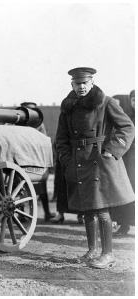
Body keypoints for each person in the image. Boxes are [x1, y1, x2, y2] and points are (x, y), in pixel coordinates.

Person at [55, 67, 134, 269]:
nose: (81, 87)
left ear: (91, 82)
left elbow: (127, 128)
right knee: (87, 209)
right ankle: (92, 251)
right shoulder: (68, 108)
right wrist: (66, 160)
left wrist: (111, 150)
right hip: (78, 163)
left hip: (101, 161)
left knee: (102, 210)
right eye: (77, 83)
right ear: (72, 85)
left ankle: (107, 254)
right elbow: (61, 139)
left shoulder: (106, 102)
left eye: (84, 83)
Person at [20, 102, 55, 222]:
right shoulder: (33, 124)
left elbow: (44, 141)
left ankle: (44, 213)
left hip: (32, 160)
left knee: (28, 188)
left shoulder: (35, 124)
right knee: (25, 188)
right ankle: (25, 214)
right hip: (33, 160)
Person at [110, 89, 135, 237]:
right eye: (133, 100)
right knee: (128, 190)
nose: (135, 103)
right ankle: (124, 224)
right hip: (130, 159)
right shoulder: (126, 118)